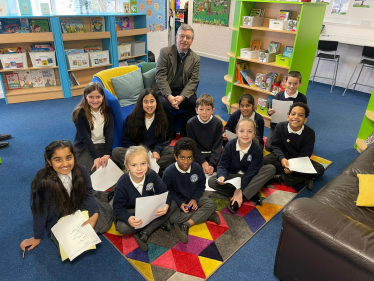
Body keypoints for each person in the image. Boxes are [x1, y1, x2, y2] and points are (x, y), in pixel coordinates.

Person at [20, 140, 98, 253]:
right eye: (58, 160)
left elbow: (88, 194)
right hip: (57, 216)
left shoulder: (81, 170)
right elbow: (40, 211)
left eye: (68, 158)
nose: (65, 164)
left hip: (77, 208)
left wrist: (94, 215)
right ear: (49, 161)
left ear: (74, 157)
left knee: (101, 222)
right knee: (66, 244)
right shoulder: (44, 181)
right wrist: (37, 237)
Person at [113, 146, 176, 252]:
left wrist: (165, 206)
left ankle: (145, 231)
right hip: (132, 211)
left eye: (143, 164)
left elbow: (165, 192)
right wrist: (128, 218)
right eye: (134, 165)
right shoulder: (122, 183)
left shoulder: (152, 175)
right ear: (127, 166)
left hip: (150, 207)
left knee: (172, 204)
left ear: (148, 163)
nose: (139, 168)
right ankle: (156, 224)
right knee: (122, 227)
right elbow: (118, 208)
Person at [209, 119, 276, 214]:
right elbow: (223, 164)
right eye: (241, 131)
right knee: (211, 181)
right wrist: (222, 176)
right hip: (234, 177)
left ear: (254, 133)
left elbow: (251, 172)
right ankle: (252, 192)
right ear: (236, 132)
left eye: (249, 131)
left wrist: (239, 190)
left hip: (250, 176)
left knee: (270, 169)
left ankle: (240, 196)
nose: (245, 135)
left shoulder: (257, 149)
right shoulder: (230, 145)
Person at [162, 137, 220, 244]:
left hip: (194, 196)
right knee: (172, 218)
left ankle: (186, 224)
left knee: (212, 205)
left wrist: (194, 198)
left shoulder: (197, 167)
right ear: (176, 157)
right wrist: (180, 203)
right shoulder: (169, 172)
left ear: (193, 157)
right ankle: (206, 215)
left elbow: (201, 184)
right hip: (178, 200)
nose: (185, 161)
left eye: (189, 158)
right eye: (182, 158)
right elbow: (167, 191)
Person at [153, 24, 200, 139]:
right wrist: (169, 97)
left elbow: (194, 80)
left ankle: (185, 132)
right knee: (164, 104)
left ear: (192, 41)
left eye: (188, 37)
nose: (184, 40)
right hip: (165, 90)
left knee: (195, 103)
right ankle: (170, 134)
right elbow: (160, 76)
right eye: (182, 36)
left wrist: (182, 97)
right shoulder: (165, 52)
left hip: (182, 91)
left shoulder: (196, 58)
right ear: (176, 37)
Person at [263, 102, 324, 191]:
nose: (296, 117)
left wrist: (294, 167)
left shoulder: (310, 133)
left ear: (305, 120)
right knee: (266, 160)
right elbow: (275, 146)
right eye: (293, 114)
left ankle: (280, 177)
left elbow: (306, 154)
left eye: (300, 115)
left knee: (320, 169)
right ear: (288, 116)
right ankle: (305, 178)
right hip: (282, 158)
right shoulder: (280, 126)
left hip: (298, 160)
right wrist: (282, 159)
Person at [112, 89, 175, 171]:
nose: (149, 105)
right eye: (145, 102)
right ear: (141, 103)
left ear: (157, 102)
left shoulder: (162, 118)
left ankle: (140, 167)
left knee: (175, 153)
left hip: (153, 152)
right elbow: (126, 140)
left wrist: (157, 151)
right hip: (136, 152)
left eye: (152, 101)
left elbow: (162, 140)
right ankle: (149, 168)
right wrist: (138, 151)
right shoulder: (131, 118)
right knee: (116, 152)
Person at [72, 82, 114, 174]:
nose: (95, 100)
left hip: (102, 145)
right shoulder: (79, 113)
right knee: (91, 170)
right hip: (86, 147)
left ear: (103, 97)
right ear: (85, 97)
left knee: (109, 170)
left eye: (98, 97)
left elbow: (109, 134)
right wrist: (96, 157)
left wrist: (107, 154)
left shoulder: (108, 111)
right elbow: (85, 138)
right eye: (91, 97)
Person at [266, 71, 307, 151]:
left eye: (295, 84)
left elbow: (304, 115)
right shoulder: (278, 95)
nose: (292, 86)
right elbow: (271, 112)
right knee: (268, 146)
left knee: (294, 148)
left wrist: (294, 116)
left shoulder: (302, 98)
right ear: (285, 82)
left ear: (300, 84)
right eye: (289, 83)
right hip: (277, 127)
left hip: (293, 127)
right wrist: (270, 112)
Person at [186, 94, 222, 175]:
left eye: (208, 109)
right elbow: (192, 145)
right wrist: (203, 162)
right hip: (197, 154)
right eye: (201, 109)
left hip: (212, 154)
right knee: (189, 166)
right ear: (196, 110)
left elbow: (217, 145)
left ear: (213, 110)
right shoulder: (190, 123)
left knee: (224, 165)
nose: (204, 112)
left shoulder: (218, 123)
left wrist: (212, 164)